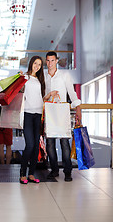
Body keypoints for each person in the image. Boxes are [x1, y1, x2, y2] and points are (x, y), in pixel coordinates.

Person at [44, 51, 81, 182]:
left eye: (52, 60)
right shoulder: (43, 76)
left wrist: (78, 108)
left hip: (62, 111)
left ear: (56, 61)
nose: (50, 63)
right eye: (48, 61)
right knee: (49, 143)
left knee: (64, 142)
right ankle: (54, 170)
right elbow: (42, 96)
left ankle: (67, 171)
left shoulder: (64, 75)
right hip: (49, 112)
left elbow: (71, 92)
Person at [20, 55, 45, 184]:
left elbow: (40, 96)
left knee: (36, 146)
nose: (37, 66)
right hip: (28, 114)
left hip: (38, 114)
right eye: (35, 63)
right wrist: (19, 78)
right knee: (29, 145)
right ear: (31, 63)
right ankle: (22, 173)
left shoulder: (40, 79)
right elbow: (18, 91)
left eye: (39, 65)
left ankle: (31, 174)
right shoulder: (24, 77)